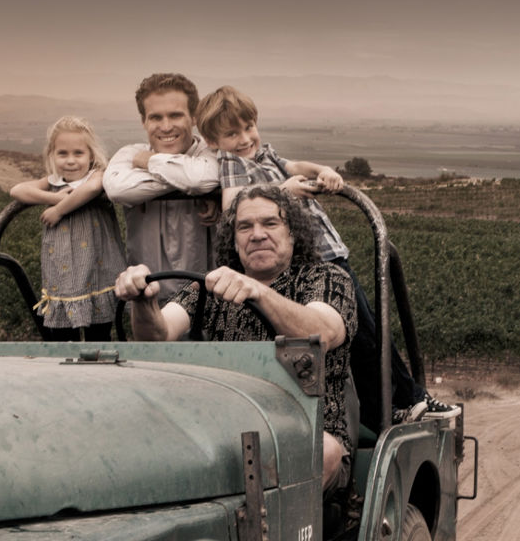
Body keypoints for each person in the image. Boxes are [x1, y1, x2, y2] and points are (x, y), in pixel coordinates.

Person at [194, 85, 460, 429]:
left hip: (331, 255)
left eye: (248, 127)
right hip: (313, 265)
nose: (245, 138)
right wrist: (281, 193)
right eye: (232, 133)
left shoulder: (265, 155)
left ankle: (406, 398)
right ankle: (399, 404)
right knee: (363, 339)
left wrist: (323, 170)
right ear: (213, 141)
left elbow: (295, 164)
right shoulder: (232, 164)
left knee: (373, 332)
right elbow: (233, 206)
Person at [115, 185, 357, 496]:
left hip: (309, 429)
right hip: (221, 425)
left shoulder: (326, 278)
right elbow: (157, 335)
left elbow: (323, 331)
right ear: (234, 239)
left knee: (322, 451)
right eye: (245, 226)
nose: (257, 234)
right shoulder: (209, 287)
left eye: (270, 223)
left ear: (293, 233)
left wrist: (258, 290)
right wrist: (143, 301)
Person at [103, 73, 220, 303]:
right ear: (143, 121)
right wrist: (188, 182)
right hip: (147, 297)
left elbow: (201, 179)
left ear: (193, 117)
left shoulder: (211, 151)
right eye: (156, 117)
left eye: (175, 115)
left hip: (208, 298)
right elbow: (117, 188)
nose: (166, 127)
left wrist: (150, 163)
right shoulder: (129, 154)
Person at [10, 115, 125, 341]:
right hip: (63, 273)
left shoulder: (97, 176)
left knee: (99, 334)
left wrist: (60, 210)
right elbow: (17, 190)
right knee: (62, 336)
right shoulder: (53, 182)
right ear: (52, 155)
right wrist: (52, 198)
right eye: (62, 153)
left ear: (91, 154)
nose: (70, 160)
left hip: (96, 271)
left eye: (78, 153)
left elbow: (90, 189)